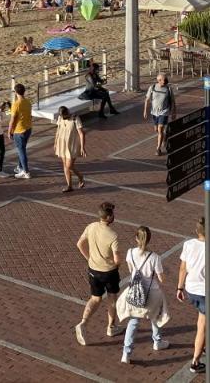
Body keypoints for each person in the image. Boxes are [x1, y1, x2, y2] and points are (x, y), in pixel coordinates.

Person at [177, 217, 210, 375]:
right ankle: (195, 362)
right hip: (205, 293)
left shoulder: (188, 244)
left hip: (191, 290)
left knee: (201, 321)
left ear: (197, 231)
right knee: (202, 329)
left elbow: (183, 268)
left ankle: (202, 347)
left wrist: (180, 287)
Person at [116, 226, 170, 363]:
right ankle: (157, 342)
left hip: (135, 292)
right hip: (152, 293)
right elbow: (162, 279)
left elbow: (131, 270)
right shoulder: (155, 257)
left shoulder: (130, 252)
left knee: (133, 321)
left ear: (136, 238)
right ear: (149, 240)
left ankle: (126, 353)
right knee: (155, 316)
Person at [75, 202, 122, 346]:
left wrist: (89, 257)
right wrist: (117, 265)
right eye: (113, 214)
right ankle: (111, 327)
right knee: (112, 298)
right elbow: (117, 259)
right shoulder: (113, 236)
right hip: (109, 272)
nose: (114, 216)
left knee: (95, 298)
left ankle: (83, 323)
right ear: (108, 217)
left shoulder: (91, 227)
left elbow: (79, 244)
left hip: (93, 270)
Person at [54, 104, 87, 192]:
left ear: (68, 112)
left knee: (69, 166)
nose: (64, 118)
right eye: (62, 117)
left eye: (65, 116)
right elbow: (58, 130)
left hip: (72, 145)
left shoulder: (75, 118)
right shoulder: (60, 118)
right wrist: (55, 142)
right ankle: (69, 186)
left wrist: (82, 147)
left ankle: (80, 177)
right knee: (65, 165)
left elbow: (81, 133)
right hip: (62, 144)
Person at [144, 73, 176, 155]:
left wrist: (173, 112)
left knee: (160, 128)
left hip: (164, 112)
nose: (165, 81)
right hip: (154, 112)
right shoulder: (152, 87)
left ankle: (158, 149)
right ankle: (164, 136)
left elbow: (173, 101)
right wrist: (145, 111)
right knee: (156, 130)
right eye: (163, 80)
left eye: (166, 79)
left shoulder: (168, 89)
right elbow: (147, 100)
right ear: (158, 80)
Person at [8, 81, 32, 179]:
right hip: (28, 128)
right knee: (22, 149)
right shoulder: (27, 102)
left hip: (19, 130)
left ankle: (26, 171)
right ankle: (20, 167)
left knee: (21, 151)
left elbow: (12, 119)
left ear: (15, 92)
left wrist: (9, 131)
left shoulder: (16, 104)